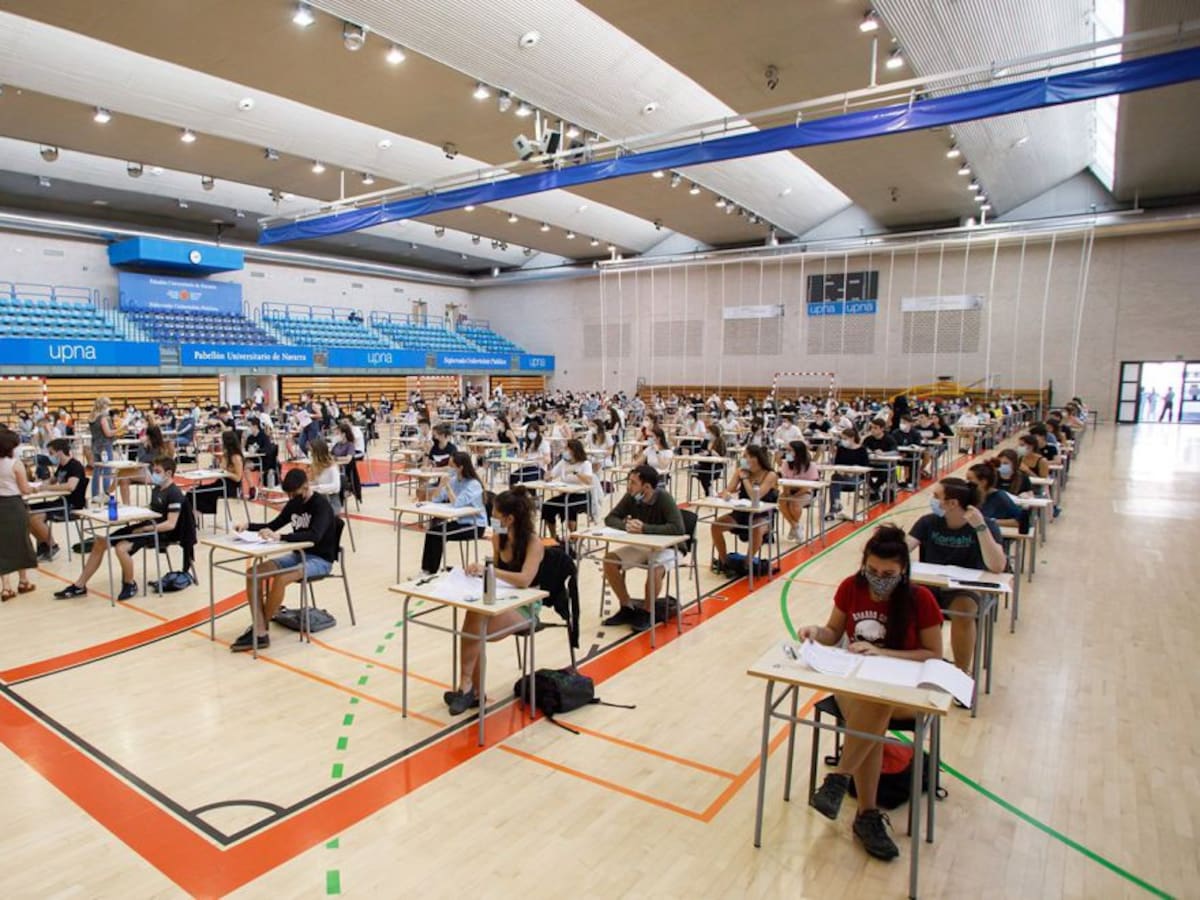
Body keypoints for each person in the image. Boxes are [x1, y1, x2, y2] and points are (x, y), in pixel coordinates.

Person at [798, 524, 943, 862]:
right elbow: (833, 632)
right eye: (872, 571)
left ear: (903, 570)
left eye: (888, 574)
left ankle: (841, 779)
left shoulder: (920, 599)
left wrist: (883, 653)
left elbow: (933, 653)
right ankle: (866, 815)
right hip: (857, 686)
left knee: (878, 705)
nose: (879, 579)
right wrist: (815, 631)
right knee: (873, 708)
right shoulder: (851, 587)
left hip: (905, 693)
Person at [442, 487, 545, 715]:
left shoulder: (533, 543)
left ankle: (468, 689)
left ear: (509, 519)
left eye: (496, 515)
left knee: (476, 625)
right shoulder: (498, 537)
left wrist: (489, 571)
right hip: (501, 598)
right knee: (475, 613)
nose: (492, 519)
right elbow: (497, 574)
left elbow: (524, 580)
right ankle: (471, 690)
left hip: (526, 607)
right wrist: (479, 573)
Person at [230, 468, 338, 652]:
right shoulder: (294, 503)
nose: (291, 498)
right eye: (289, 494)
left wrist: (281, 537)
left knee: (281, 578)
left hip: (321, 560)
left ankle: (260, 630)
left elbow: (314, 536)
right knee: (253, 573)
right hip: (299, 554)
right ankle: (260, 628)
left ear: (306, 486)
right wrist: (248, 526)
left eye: (294, 493)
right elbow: (273, 524)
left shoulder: (321, 505)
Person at [906, 477, 1005, 675]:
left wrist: (980, 527)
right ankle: (917, 664)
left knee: (964, 609)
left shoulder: (986, 525)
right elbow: (903, 549)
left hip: (964, 589)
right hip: (929, 586)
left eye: (936, 496)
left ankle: (961, 672)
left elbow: (997, 566)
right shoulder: (928, 522)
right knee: (905, 602)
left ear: (952, 503)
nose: (932, 500)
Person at [52, 456, 186, 602]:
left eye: (157, 471)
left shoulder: (174, 493)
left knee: (121, 548)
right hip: (147, 525)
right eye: (153, 471)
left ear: (168, 473)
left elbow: (170, 524)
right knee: (100, 543)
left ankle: (129, 584)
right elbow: (154, 511)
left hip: (159, 532)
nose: (154, 474)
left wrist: (144, 529)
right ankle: (79, 585)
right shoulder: (157, 489)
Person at [601, 465, 685, 632]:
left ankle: (648, 612)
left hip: (670, 547)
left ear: (646, 487)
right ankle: (626, 606)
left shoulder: (664, 498)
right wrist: (626, 526)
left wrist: (645, 528)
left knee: (655, 569)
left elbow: (678, 528)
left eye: (633, 483)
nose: (629, 486)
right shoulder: (631, 496)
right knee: (609, 560)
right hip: (644, 545)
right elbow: (610, 518)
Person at [711, 444, 779, 573]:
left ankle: (747, 563)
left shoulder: (770, 475)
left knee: (756, 529)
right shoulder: (740, 471)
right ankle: (724, 562)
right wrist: (726, 494)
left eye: (745, 456)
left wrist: (745, 479)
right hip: (741, 512)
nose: (742, 459)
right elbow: (728, 489)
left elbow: (755, 496)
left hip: (763, 514)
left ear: (755, 458)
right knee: (716, 526)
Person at [420, 451, 486, 576]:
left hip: (475, 525)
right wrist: (441, 485)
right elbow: (435, 499)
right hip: (461, 522)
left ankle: (431, 572)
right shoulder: (454, 480)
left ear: (460, 467)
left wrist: (448, 487)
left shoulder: (473, 484)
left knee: (439, 535)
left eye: (452, 466)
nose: (449, 469)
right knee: (432, 532)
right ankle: (426, 570)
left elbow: (457, 503)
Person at [27, 438, 87, 561]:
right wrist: (37, 486)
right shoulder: (61, 466)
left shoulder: (75, 465)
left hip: (72, 505)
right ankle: (44, 545)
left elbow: (70, 486)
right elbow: (52, 481)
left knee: (35, 517)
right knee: (26, 511)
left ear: (59, 452)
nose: (50, 456)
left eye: (51, 453)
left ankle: (52, 545)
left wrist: (47, 487)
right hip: (61, 501)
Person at [0, 429, 37, 600]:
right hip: (14, 505)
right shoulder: (15, 464)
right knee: (21, 541)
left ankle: (5, 587)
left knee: (3, 545)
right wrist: (34, 488)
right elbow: (25, 489)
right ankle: (23, 581)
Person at [542, 439, 600, 541]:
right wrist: (548, 476)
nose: (565, 451)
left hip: (581, 496)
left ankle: (573, 536)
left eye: (567, 449)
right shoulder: (563, 462)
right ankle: (553, 536)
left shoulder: (585, 463)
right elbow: (552, 474)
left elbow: (589, 480)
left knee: (569, 507)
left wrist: (576, 473)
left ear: (574, 450)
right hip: (566, 494)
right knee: (548, 506)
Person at [194, 430, 245, 517]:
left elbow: (238, 478)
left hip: (230, 486)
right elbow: (222, 467)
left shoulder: (236, 457)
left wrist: (227, 473)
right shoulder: (227, 455)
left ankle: (199, 512)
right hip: (221, 482)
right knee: (195, 490)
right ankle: (195, 512)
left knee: (199, 492)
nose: (220, 442)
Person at [826, 425, 870, 520]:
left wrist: (854, 472)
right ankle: (835, 508)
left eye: (845, 439)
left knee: (835, 481)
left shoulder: (862, 450)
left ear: (852, 438)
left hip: (856, 477)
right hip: (841, 477)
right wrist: (840, 470)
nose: (843, 441)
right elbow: (837, 464)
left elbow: (865, 466)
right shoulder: (841, 449)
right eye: (842, 438)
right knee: (835, 479)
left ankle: (835, 508)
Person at [779, 440, 819, 542]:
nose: (787, 453)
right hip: (790, 490)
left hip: (806, 492)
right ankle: (795, 525)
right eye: (786, 450)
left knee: (794, 504)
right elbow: (785, 481)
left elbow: (809, 486)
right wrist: (787, 493)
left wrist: (794, 496)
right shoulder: (786, 464)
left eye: (790, 450)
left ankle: (794, 528)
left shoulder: (811, 465)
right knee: (781, 501)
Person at [967, 462, 1026, 531]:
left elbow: (1020, 521)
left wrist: (991, 522)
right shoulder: (969, 495)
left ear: (983, 482)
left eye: (970, 479)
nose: (967, 482)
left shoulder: (1000, 497)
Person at [89, 396, 117, 498]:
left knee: (97, 470)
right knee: (107, 470)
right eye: (108, 405)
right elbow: (108, 433)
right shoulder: (103, 418)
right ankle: (106, 493)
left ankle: (95, 494)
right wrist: (119, 430)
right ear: (104, 405)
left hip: (95, 445)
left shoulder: (92, 417)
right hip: (105, 445)